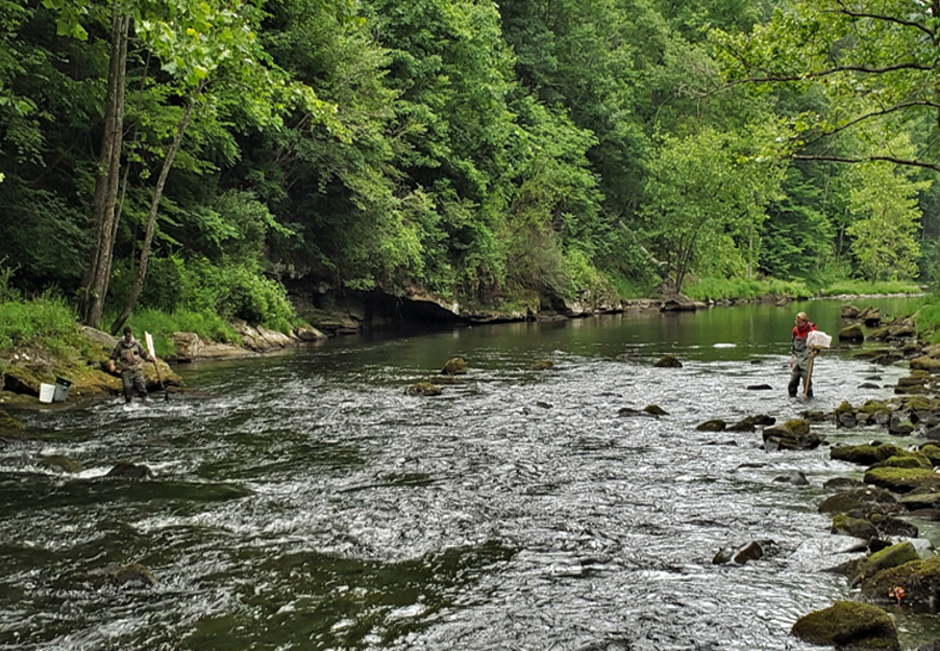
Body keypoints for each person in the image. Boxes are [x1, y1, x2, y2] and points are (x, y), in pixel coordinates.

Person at [108, 326, 155, 403]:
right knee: (127, 388)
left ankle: (145, 399)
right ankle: (129, 402)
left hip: (137, 369)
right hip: (126, 371)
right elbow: (113, 357)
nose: (129, 338)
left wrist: (151, 359)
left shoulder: (137, 344)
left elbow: (144, 355)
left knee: (142, 387)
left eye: (130, 336)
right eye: (127, 336)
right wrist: (111, 364)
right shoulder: (120, 345)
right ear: (125, 335)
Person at [789, 311, 818, 398]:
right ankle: (792, 396)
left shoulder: (811, 331)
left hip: (807, 357)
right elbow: (793, 345)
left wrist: (815, 352)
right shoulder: (795, 330)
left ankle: (808, 396)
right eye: (796, 322)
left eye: (799, 322)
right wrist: (792, 357)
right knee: (793, 378)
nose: (797, 324)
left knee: (806, 379)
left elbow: (817, 344)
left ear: (805, 322)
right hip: (797, 356)